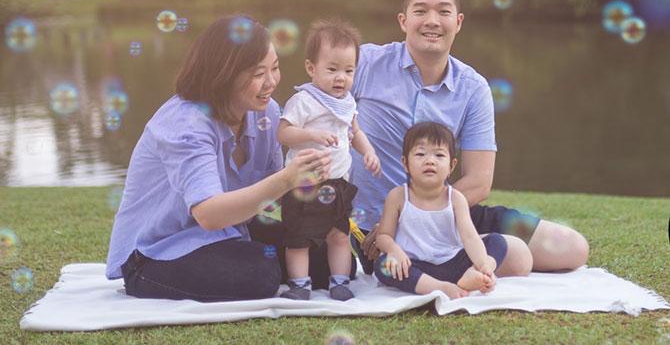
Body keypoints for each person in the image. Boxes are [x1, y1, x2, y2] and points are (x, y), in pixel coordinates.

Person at [349, 0, 589, 276]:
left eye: (444, 11)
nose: (432, 21)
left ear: (458, 21)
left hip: (445, 212)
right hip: (370, 226)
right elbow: (315, 110)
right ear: (403, 20)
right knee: (516, 257)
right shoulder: (363, 63)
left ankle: (449, 254)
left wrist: (414, 215)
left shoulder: (473, 88)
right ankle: (446, 258)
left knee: (572, 247)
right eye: (421, 11)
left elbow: (478, 181)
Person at [105, 15, 336, 302]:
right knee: (260, 273)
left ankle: (253, 257)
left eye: (274, 68)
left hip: (229, 231)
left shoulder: (268, 113)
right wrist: (289, 178)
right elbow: (209, 215)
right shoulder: (187, 124)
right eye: (257, 74)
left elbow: (271, 197)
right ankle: (248, 262)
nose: (271, 82)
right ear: (224, 74)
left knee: (323, 255)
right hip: (156, 252)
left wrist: (314, 187)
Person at [277, 20, 381, 301]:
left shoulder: (346, 102)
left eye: (348, 71)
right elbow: (283, 133)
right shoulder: (304, 101)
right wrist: (311, 134)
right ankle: (299, 285)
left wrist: (368, 151)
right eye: (332, 69)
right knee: (298, 238)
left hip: (338, 184)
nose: (341, 78)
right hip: (304, 184)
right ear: (311, 68)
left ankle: (339, 282)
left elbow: (354, 132)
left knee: (339, 235)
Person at [375, 122, 511, 298]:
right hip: (414, 266)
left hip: (453, 263)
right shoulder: (398, 197)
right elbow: (383, 236)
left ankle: (473, 274)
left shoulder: (455, 198)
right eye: (420, 154)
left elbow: (469, 237)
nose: (430, 160)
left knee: (497, 241)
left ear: (451, 167)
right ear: (405, 163)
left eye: (439, 155)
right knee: (383, 265)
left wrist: (483, 264)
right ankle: (440, 287)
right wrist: (394, 250)